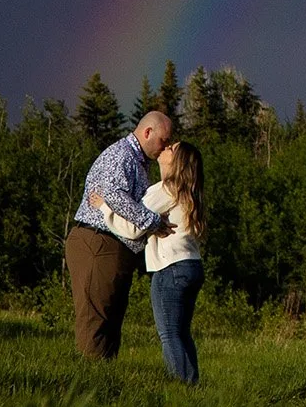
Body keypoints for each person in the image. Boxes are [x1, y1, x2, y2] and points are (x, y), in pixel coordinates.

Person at [94, 138, 207, 384]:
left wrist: (104, 207)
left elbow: (134, 226)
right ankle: (192, 385)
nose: (165, 148)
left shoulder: (166, 189)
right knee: (182, 332)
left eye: (171, 149)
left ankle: (181, 387)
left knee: (169, 333)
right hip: (192, 266)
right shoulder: (188, 192)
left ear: (177, 162)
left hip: (171, 268)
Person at [64, 109, 171, 359]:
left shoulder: (138, 161)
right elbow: (113, 194)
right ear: (147, 132)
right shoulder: (121, 154)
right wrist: (153, 222)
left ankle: (107, 375)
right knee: (96, 318)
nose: (165, 147)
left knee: (111, 318)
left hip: (113, 246)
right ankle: (90, 376)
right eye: (163, 141)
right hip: (98, 242)